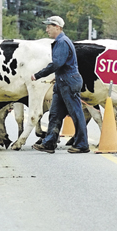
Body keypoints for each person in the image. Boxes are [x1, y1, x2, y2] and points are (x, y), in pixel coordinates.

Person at [31, 16, 89, 154]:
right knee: (55, 114)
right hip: (62, 82)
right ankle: (49, 143)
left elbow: (57, 63)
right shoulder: (61, 41)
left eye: (49, 27)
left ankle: (82, 144)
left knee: (76, 113)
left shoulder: (62, 42)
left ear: (57, 27)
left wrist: (38, 75)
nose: (47, 30)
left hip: (68, 82)